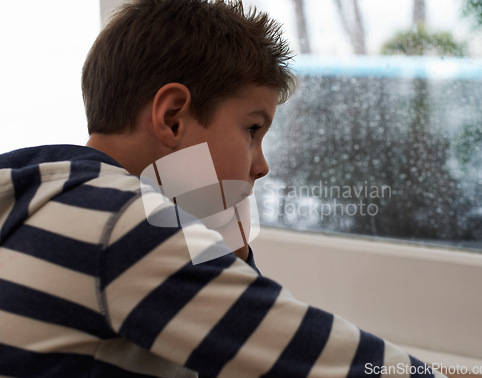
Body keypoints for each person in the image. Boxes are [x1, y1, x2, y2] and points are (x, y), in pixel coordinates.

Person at [0, 0, 445, 377]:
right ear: (172, 117)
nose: (262, 165)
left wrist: (226, 251)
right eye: (252, 129)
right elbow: (330, 362)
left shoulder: (41, 196)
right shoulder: (124, 226)